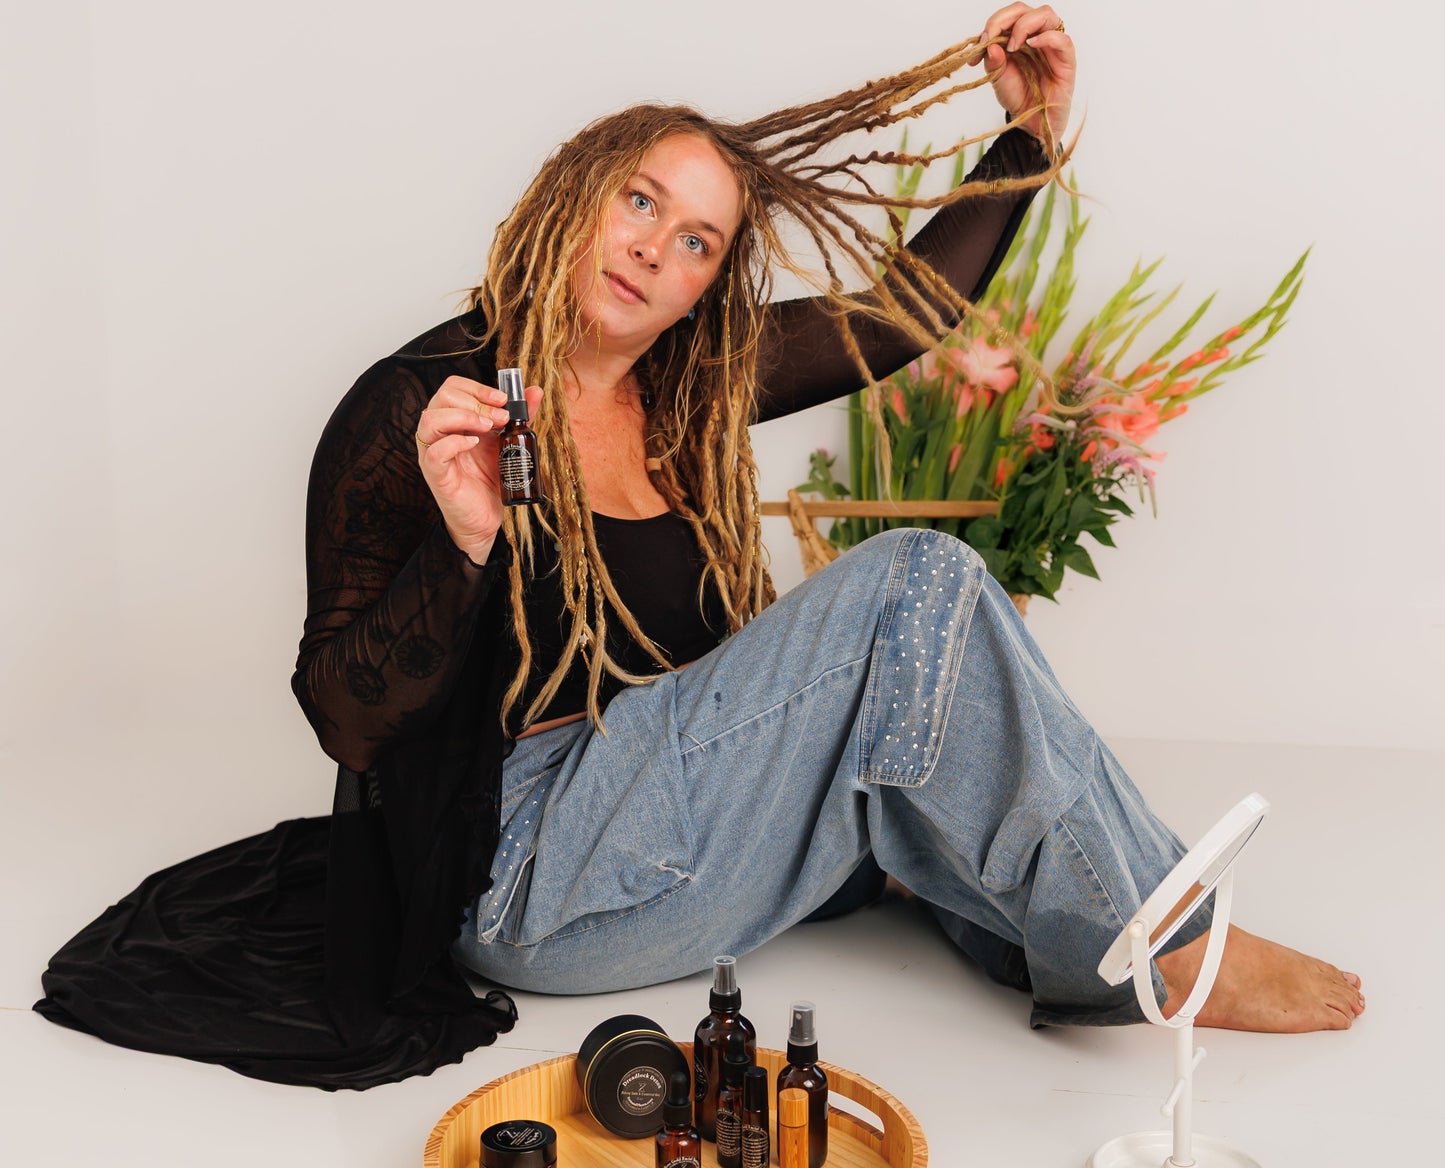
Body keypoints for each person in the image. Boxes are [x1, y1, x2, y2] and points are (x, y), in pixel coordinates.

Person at [36, 8, 1363, 1092]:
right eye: (636, 201)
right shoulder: (421, 408)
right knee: (917, 584)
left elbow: (896, 316)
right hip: (528, 868)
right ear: (572, 192)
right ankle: (1168, 944)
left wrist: (1026, 133)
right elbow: (340, 716)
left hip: (674, 835)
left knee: (922, 711)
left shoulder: (690, 386)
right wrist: (461, 547)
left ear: (700, 284)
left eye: (694, 242)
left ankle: (1110, 943)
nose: (652, 250)